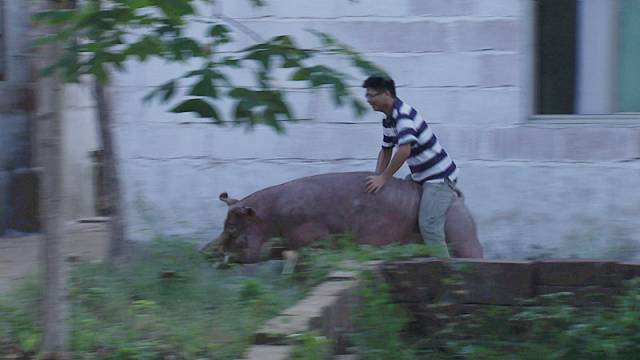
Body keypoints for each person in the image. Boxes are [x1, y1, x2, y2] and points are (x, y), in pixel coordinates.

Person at [363, 76, 459, 257]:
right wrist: (377, 175)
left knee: (429, 225)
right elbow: (386, 150)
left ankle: (445, 275)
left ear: (387, 94)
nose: (369, 101)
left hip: (438, 177)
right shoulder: (389, 119)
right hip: (420, 176)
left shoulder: (403, 115)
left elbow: (404, 151)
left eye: (372, 96)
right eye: (367, 97)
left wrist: (384, 178)